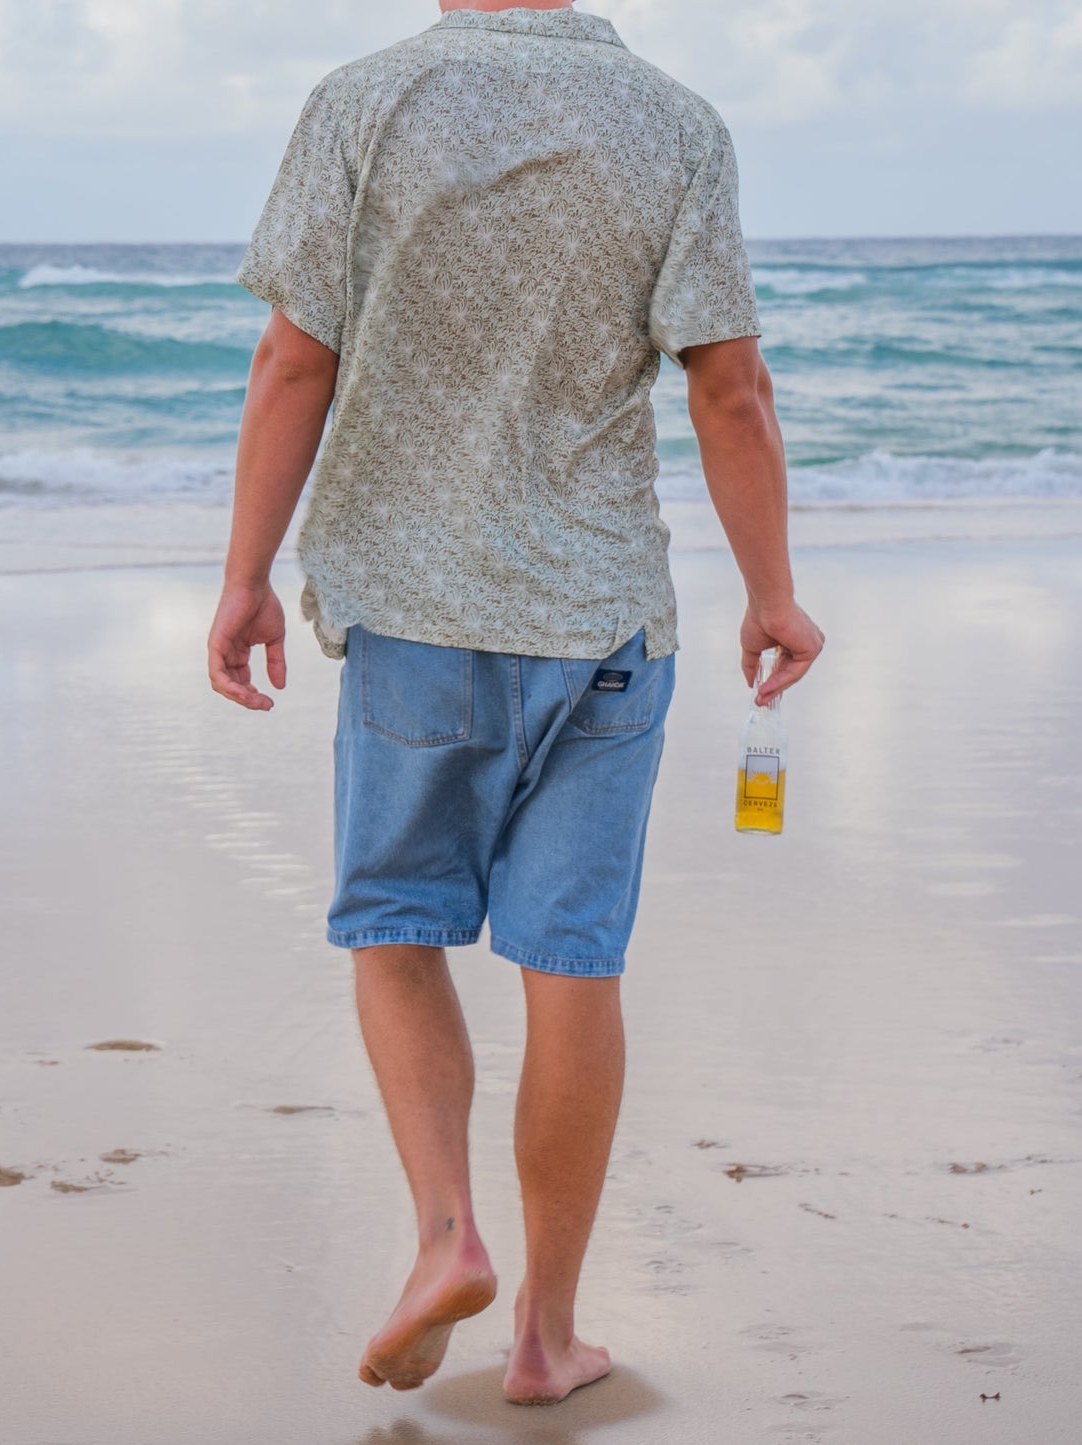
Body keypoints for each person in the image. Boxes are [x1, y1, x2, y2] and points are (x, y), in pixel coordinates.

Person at [207, 0, 824, 1408]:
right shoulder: (675, 123)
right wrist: (772, 590)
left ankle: (443, 1235)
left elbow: (295, 360)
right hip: (600, 618)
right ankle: (543, 1335)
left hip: (414, 612)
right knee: (571, 964)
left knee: (397, 925)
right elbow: (730, 390)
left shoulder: (362, 101)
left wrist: (244, 574)